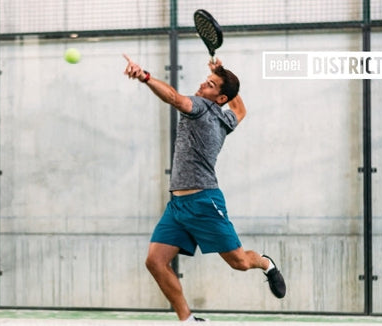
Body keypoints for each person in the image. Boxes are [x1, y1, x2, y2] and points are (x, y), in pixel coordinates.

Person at [123, 54, 286, 322]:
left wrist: (145, 76)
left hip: (204, 202)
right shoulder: (226, 120)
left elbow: (174, 98)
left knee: (240, 263)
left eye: (210, 84)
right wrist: (219, 71)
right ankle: (188, 320)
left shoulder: (199, 107)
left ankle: (266, 263)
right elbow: (241, 110)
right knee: (155, 261)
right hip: (177, 205)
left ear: (219, 98)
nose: (203, 84)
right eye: (206, 80)